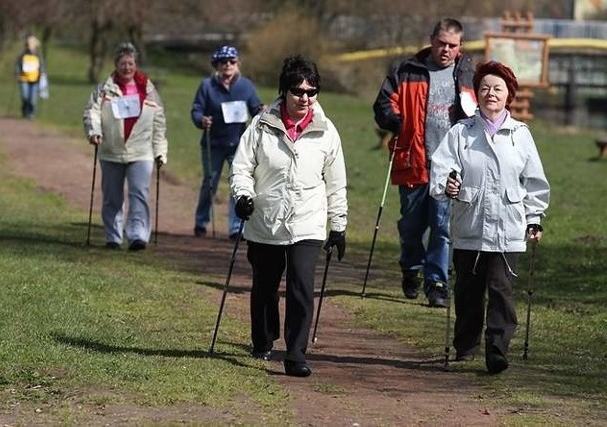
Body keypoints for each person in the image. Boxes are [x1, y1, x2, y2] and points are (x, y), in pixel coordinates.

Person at [230, 55, 347, 377]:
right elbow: (241, 168)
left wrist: (338, 226)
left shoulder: (326, 131)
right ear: (284, 91)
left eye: (312, 91)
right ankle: (263, 339)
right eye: (298, 91)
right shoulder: (261, 125)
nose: (305, 98)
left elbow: (336, 183)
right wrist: (243, 196)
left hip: (307, 220)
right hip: (265, 218)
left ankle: (296, 354)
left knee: (301, 286)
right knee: (265, 285)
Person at [429, 61, 550, 374]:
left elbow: (535, 182)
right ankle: (466, 346)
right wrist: (448, 184)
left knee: (501, 290)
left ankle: (497, 349)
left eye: (497, 89)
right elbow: (442, 168)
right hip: (470, 223)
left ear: (508, 94)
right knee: (468, 291)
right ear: (477, 94)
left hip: (508, 227)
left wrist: (534, 217)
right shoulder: (461, 132)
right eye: (484, 88)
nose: (490, 94)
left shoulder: (521, 134)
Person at [372, 18, 477, 308]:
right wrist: (396, 120)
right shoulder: (407, 70)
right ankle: (411, 268)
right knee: (411, 225)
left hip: (451, 166)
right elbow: (383, 103)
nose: (446, 50)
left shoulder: (468, 74)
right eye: (441, 43)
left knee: (443, 227)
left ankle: (437, 283)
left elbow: (483, 109)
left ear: (460, 47)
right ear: (431, 39)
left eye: (452, 45)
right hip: (413, 159)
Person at [83, 42, 168, 251]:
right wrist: (94, 132)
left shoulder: (149, 90)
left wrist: (160, 152)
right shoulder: (104, 89)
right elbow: (91, 112)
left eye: (130, 63)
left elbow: (159, 123)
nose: (127, 67)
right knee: (112, 196)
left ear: (136, 64)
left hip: (142, 151)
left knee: (139, 193)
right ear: (116, 64)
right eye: (123, 63)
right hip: (111, 151)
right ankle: (113, 236)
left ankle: (138, 235)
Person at [191, 45, 264, 240]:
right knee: (209, 183)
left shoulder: (246, 86)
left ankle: (234, 227)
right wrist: (201, 120)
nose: (228, 65)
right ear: (216, 65)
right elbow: (196, 110)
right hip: (212, 143)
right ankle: (201, 221)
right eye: (223, 62)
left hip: (238, 145)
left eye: (232, 61)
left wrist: (260, 110)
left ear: (237, 64)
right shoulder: (207, 85)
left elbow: (255, 107)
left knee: (237, 184)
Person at [15, 35, 45, 119]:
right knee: (25, 96)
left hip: (35, 79)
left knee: (33, 99)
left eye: (31, 44)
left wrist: (42, 73)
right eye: (28, 44)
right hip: (24, 78)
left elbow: (41, 65)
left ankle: (31, 113)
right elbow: (18, 65)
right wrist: (17, 74)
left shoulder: (38, 55)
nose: (30, 46)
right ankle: (25, 110)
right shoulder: (22, 54)